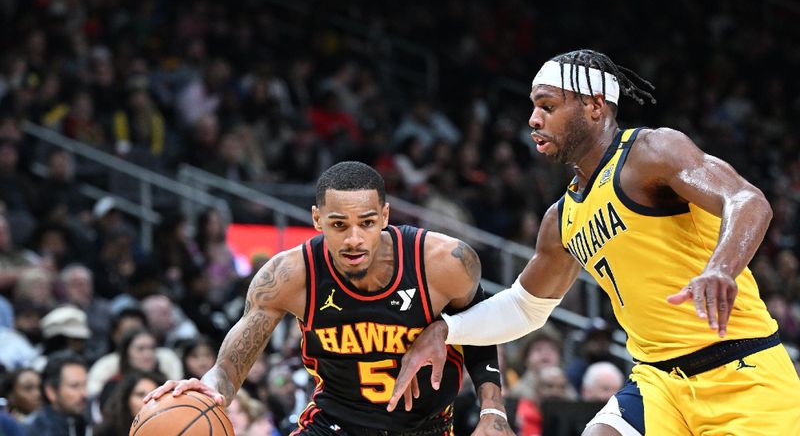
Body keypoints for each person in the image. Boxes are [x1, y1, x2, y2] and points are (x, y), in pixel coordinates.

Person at [388, 50, 800, 435]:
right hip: (657, 381)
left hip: (742, 373)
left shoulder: (652, 152)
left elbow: (747, 200)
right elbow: (524, 307)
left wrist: (720, 267)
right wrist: (447, 328)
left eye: (547, 106)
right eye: (533, 107)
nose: (532, 119)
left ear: (595, 106)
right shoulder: (560, 218)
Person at [145, 161, 514, 435]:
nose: (354, 239)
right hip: (335, 424)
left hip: (425, 427)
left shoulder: (443, 262)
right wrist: (209, 388)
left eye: (366, 223)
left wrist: (492, 410)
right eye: (339, 225)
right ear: (317, 219)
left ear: (385, 216)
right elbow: (229, 367)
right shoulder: (289, 275)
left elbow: (482, 330)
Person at [24, 351, 91, 435]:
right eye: (74, 386)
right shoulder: (39, 430)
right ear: (51, 392)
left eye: (85, 385)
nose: (84, 393)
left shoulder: (86, 420)